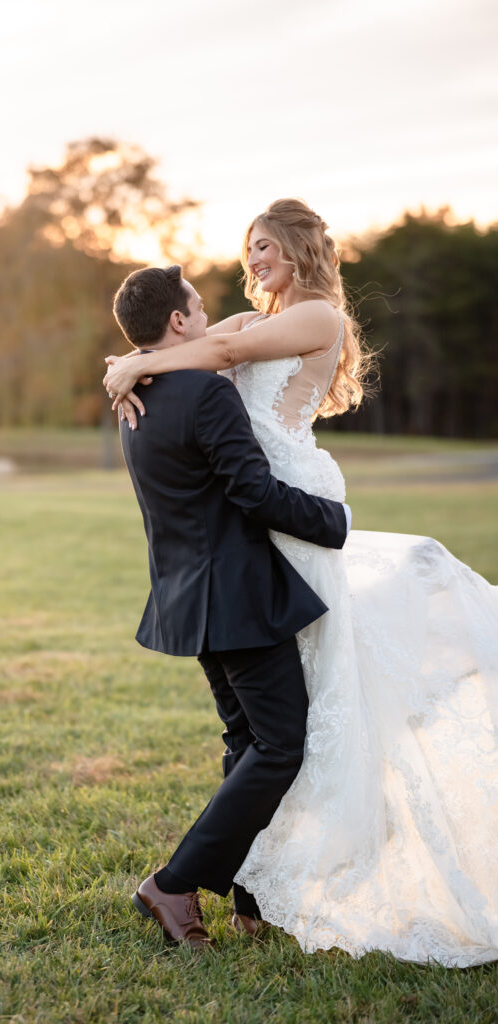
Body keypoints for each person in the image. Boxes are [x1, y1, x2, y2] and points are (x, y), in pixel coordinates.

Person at [103, 199, 498, 968]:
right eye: (247, 247)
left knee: (301, 709)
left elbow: (210, 351)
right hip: (255, 521)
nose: (252, 260)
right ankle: (246, 893)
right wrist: (132, 360)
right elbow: (199, 342)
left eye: (264, 246)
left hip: (290, 500)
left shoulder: (318, 316)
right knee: (270, 733)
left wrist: (133, 365)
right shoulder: (253, 324)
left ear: (297, 248)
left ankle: (228, 888)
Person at [111, 263, 350, 949]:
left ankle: (252, 900)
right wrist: (334, 521)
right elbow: (253, 492)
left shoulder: (135, 397)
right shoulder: (205, 392)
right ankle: (172, 883)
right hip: (238, 595)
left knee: (247, 745)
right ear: (178, 321)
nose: (206, 317)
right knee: (280, 746)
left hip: (186, 595)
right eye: (197, 308)